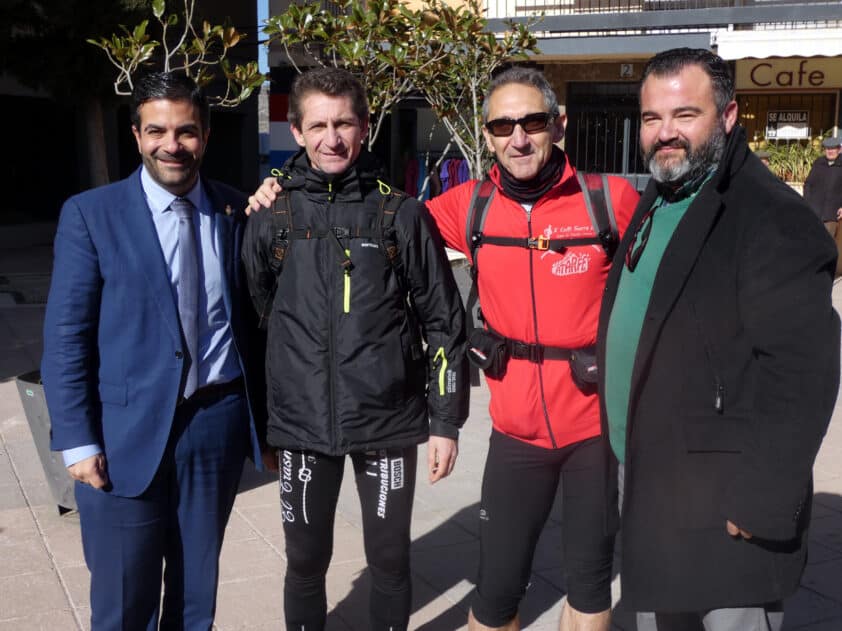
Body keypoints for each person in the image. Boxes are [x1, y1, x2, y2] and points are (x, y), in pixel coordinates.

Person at [250, 66, 640, 631]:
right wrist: (273, 188)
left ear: (558, 125)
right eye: (503, 125)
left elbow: (441, 316)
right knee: (480, 590)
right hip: (488, 432)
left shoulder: (609, 199)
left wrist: (444, 420)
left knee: (584, 581)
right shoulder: (458, 207)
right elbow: (267, 302)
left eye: (532, 121)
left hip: (578, 424)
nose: (518, 136)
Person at [598, 48, 839, 631]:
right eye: (653, 119)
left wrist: (762, 498)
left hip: (726, 508)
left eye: (685, 114)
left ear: (728, 117)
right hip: (657, 486)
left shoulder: (771, 217)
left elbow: (804, 372)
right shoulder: (664, 194)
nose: (665, 134)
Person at [240, 67, 469, 631]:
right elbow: (254, 320)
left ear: (365, 126)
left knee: (390, 562)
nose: (331, 137)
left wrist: (446, 421)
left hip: (388, 422)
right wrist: (261, 425)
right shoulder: (271, 215)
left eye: (344, 122)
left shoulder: (402, 213)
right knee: (305, 563)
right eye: (317, 124)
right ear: (295, 131)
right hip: (300, 425)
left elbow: (444, 320)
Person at [41, 72, 267, 630]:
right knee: (123, 599)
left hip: (214, 424)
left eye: (186, 131)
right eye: (158, 131)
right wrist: (77, 440)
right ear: (137, 135)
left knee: (195, 597)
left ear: (206, 137)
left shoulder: (237, 212)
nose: (173, 144)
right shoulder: (91, 215)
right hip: (122, 435)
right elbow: (66, 337)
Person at [804, 136, 842, 276]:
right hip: (814, 212)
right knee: (812, 241)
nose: (830, 151)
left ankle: (825, 272)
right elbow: (808, 184)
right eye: (827, 149)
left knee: (827, 244)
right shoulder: (818, 163)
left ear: (839, 149)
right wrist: (807, 201)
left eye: (833, 149)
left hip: (832, 214)